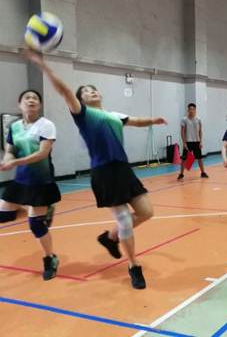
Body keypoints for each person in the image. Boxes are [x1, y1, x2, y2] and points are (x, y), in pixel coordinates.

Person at [24, 49, 166, 290]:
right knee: (125, 221)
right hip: (104, 172)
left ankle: (110, 237)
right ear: (81, 99)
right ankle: (134, 266)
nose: (91, 91)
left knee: (147, 212)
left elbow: (135, 121)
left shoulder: (114, 115)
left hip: (123, 170)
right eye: (86, 91)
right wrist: (44, 66)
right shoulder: (83, 114)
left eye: (93, 89)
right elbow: (64, 91)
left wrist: (153, 120)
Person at [0, 90, 61, 280]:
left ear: (40, 105)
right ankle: (39, 211)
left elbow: (42, 154)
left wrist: (15, 162)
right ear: (20, 104)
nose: (31, 100)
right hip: (20, 180)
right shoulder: (15, 127)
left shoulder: (46, 125)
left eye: (35, 98)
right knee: (3, 215)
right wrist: (7, 160)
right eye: (27, 98)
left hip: (41, 181)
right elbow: (10, 150)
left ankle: (50, 258)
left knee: (36, 225)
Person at [177, 103, 208, 180]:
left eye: (193, 109)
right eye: (190, 109)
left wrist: (201, 141)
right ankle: (181, 174)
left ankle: (203, 173)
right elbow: (182, 132)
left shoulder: (198, 119)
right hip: (188, 142)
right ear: (188, 110)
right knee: (184, 159)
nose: (191, 110)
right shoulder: (184, 120)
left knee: (199, 158)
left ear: (195, 110)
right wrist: (184, 143)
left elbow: (200, 131)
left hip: (197, 142)